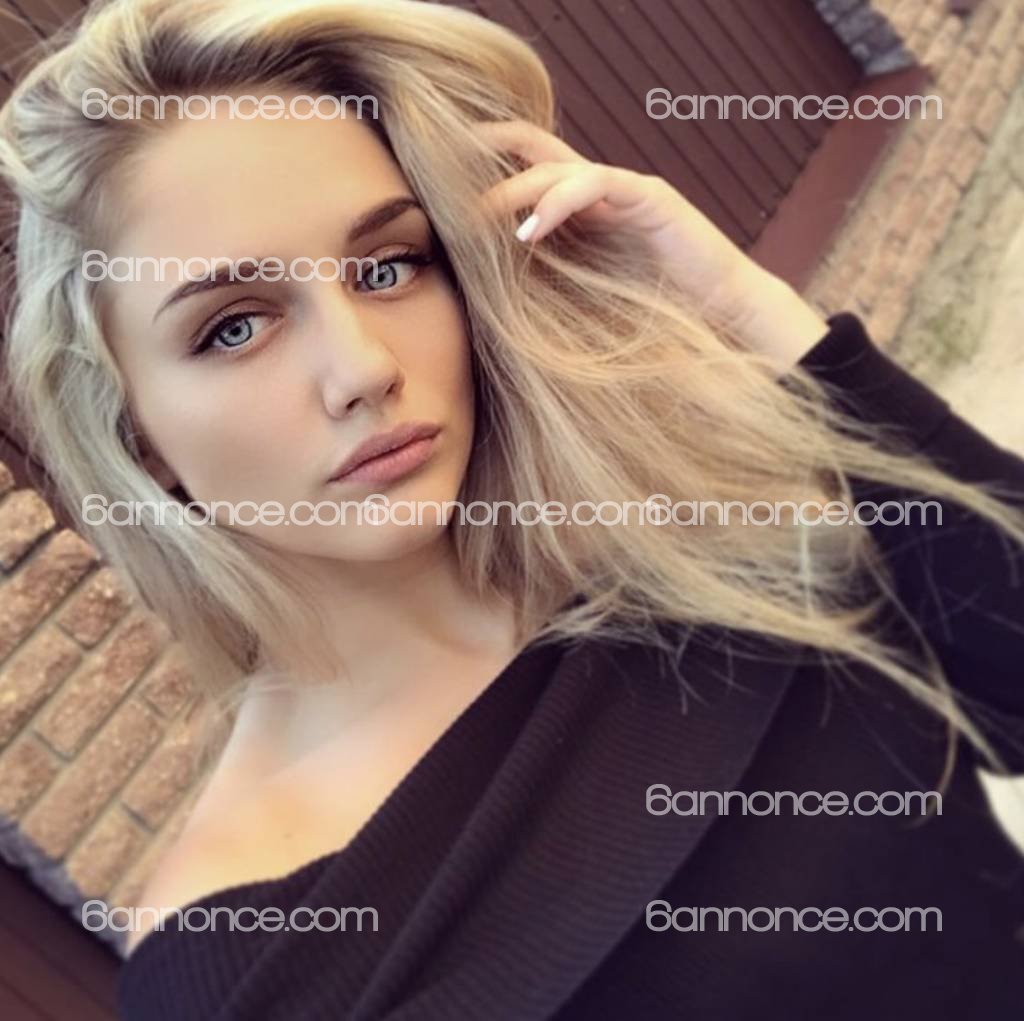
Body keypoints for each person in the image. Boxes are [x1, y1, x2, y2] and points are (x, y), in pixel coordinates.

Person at [0, 0, 1022, 1017]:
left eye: (388, 266)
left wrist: (754, 316)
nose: (361, 367)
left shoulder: (703, 534)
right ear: (140, 439)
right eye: (233, 327)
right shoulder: (240, 963)